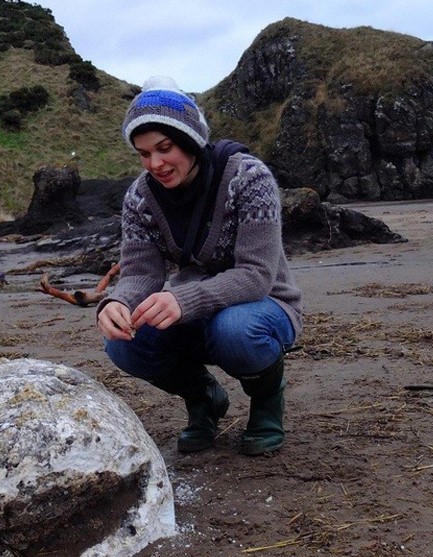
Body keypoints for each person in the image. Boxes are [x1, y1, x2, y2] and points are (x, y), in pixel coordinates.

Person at [96, 75, 302, 455]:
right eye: (143, 153)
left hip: (265, 306)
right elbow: (141, 273)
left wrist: (184, 301)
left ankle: (268, 397)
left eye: (165, 147)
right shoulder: (139, 198)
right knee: (124, 343)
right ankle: (204, 397)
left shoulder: (249, 178)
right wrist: (117, 303)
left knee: (235, 329)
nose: (155, 163)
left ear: (190, 139)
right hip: (194, 311)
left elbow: (256, 274)